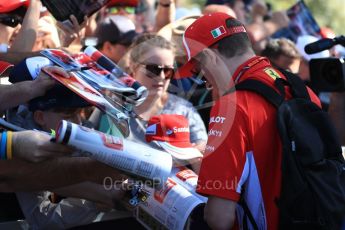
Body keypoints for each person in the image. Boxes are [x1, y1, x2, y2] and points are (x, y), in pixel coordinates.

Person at [177, 12, 320, 229]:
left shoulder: (232, 107)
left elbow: (219, 218)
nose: (204, 81)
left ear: (210, 57)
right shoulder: (303, 90)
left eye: (199, 71)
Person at [127, 33, 208, 152]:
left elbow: (202, 151)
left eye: (167, 71)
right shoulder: (113, 104)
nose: (161, 77)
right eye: (153, 69)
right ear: (134, 68)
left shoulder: (183, 110)